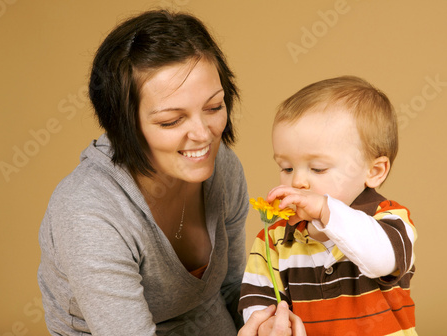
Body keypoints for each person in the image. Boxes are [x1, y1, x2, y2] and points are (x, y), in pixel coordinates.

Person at [38, 9, 300, 336]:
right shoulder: (87, 212)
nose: (203, 135)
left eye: (214, 107)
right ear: (124, 127)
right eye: (171, 121)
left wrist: (268, 319)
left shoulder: (224, 169)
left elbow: (232, 288)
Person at [239, 76, 417, 335]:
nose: (298, 181)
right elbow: (257, 305)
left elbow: (381, 259)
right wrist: (266, 324)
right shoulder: (273, 241)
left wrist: (326, 211)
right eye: (286, 167)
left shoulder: (389, 221)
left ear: (375, 171)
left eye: (317, 168)